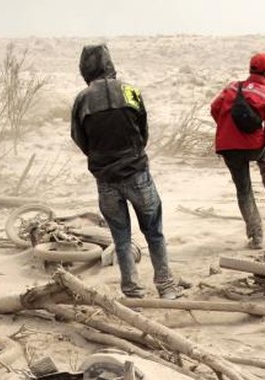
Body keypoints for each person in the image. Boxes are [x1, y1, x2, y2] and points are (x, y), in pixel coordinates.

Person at [71, 44, 182, 299]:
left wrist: (100, 159)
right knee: (154, 231)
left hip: (106, 180)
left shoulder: (82, 99)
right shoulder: (130, 91)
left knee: (121, 238)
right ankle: (165, 286)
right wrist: (131, 154)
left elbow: (79, 137)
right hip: (137, 173)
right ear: (110, 63)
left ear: (84, 68)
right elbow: (143, 132)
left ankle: (132, 289)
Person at [210, 52, 265, 249]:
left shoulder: (232, 86)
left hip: (228, 147)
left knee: (244, 190)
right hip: (253, 146)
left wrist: (226, 128)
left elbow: (214, 107)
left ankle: (256, 235)